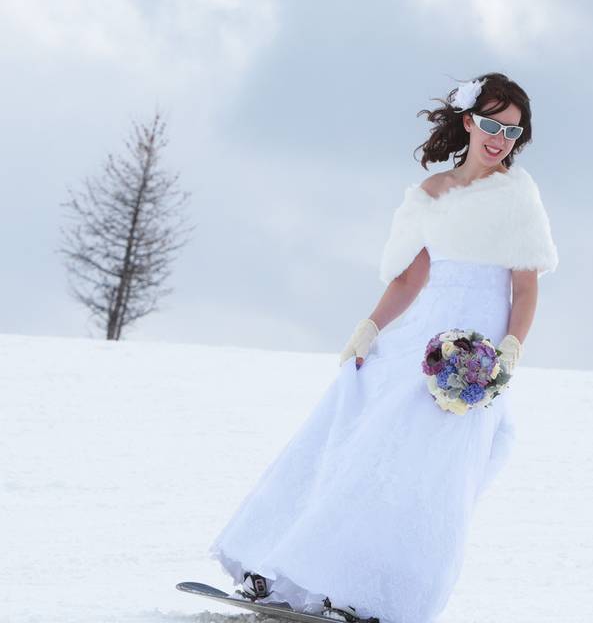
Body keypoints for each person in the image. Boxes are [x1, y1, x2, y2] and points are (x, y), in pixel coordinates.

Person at [207, 72, 559, 623]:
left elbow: (526, 286)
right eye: (491, 124)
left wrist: (510, 349)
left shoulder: (518, 195)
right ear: (468, 122)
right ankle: (284, 570)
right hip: (421, 341)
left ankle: (376, 596)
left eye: (512, 131)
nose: (499, 138)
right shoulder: (431, 194)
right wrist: (369, 330)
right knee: (353, 445)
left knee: (425, 480)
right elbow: (407, 281)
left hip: (472, 362)